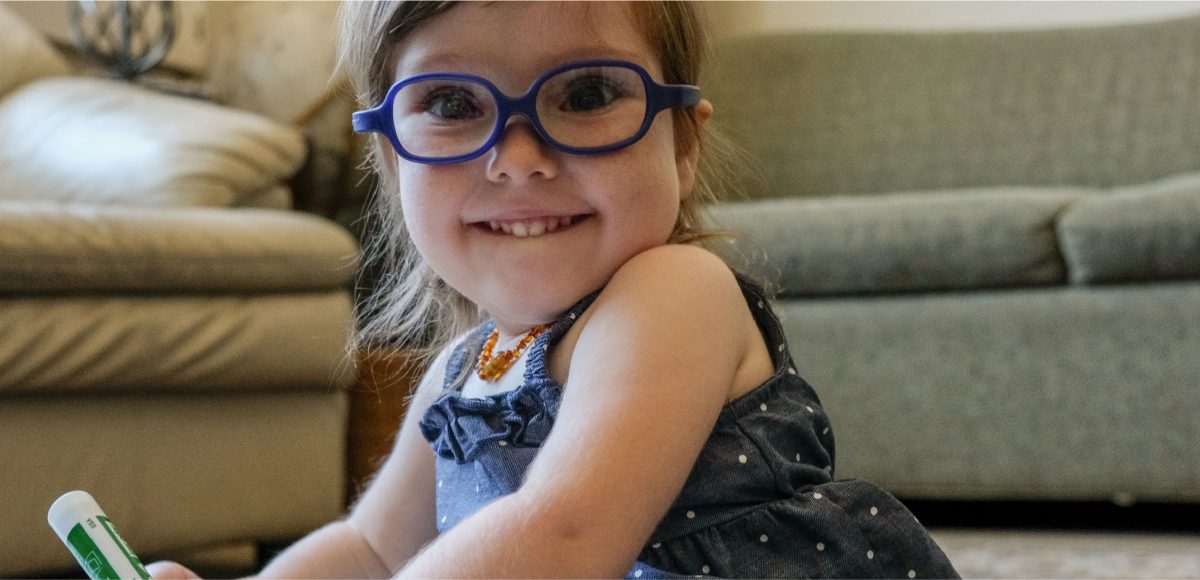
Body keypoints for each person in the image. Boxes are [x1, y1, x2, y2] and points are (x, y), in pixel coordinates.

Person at [150, 1, 959, 578]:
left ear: (681, 144)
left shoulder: (674, 292)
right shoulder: (460, 372)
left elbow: (565, 535)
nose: (519, 155)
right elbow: (371, 551)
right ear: (393, 164)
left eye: (586, 94)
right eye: (451, 104)